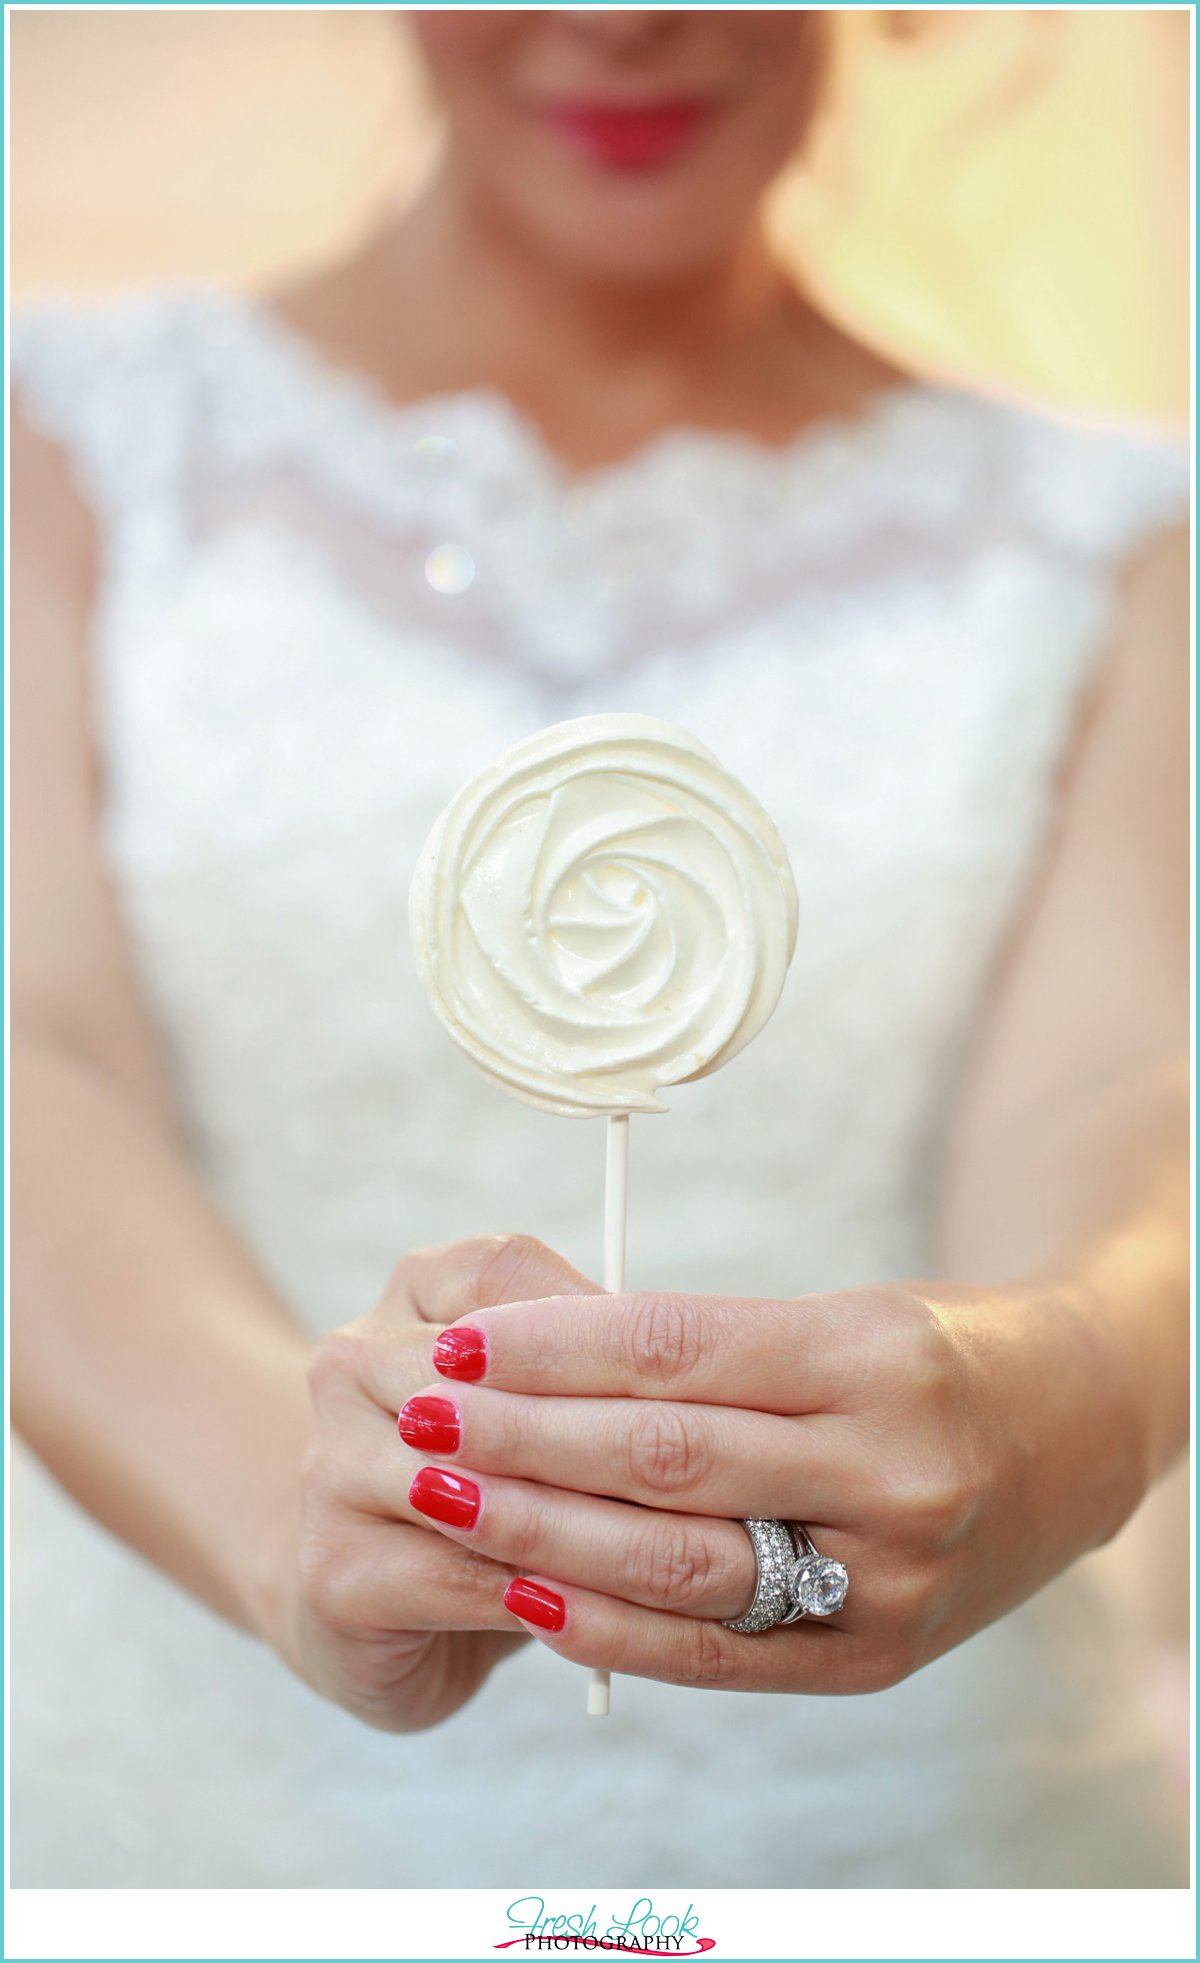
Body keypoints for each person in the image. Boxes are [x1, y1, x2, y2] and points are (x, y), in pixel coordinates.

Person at [11, 8, 1189, 1888]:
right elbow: (28, 1061)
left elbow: (1124, 1093)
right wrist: (299, 1522)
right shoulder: (62, 433)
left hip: (932, 1841)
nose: (628, 17)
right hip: (188, 1827)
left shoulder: (1122, 528)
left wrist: (1081, 1398)